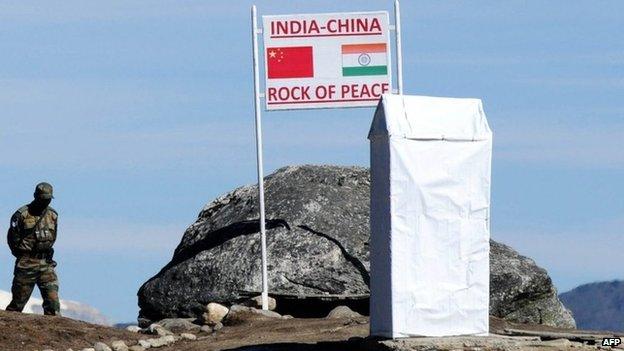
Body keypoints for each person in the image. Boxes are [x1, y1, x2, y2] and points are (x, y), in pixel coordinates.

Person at [5, 182, 61, 315]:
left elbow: (53, 236)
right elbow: (12, 238)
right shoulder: (22, 215)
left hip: (46, 264)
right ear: (36, 196)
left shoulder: (53, 215)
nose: (45, 202)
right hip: (26, 263)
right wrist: (23, 256)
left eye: (48, 199)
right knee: (17, 305)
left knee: (53, 303)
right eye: (43, 199)